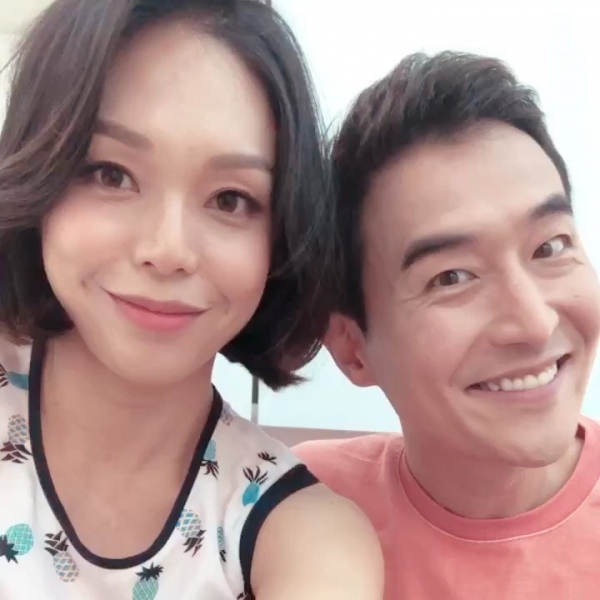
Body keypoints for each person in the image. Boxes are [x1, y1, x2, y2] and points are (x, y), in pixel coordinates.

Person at [0, 0, 383, 598]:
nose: (168, 250)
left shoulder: (299, 531)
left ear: (281, 236)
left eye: (230, 199)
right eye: (111, 173)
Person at [295, 51, 600, 599]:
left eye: (550, 247)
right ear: (351, 347)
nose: (534, 323)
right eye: (452, 277)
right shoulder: (291, 507)